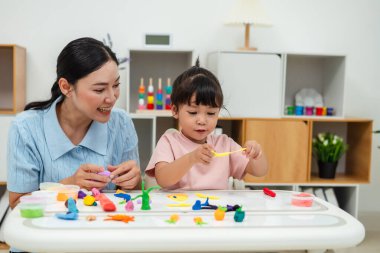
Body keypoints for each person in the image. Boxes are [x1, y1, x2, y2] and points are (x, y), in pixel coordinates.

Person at [7, 37, 141, 210]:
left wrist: (135, 181)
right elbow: (17, 204)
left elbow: (132, 199)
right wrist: (68, 186)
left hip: (106, 231)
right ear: (66, 87)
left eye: (115, 85)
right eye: (99, 89)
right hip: (49, 234)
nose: (112, 97)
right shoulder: (25, 129)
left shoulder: (121, 123)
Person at [145, 59, 268, 190]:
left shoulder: (224, 144)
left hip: (216, 210)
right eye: (193, 112)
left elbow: (260, 172)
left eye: (210, 113)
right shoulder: (169, 142)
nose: (202, 120)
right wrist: (192, 158)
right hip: (179, 209)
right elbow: (162, 179)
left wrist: (256, 155)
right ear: (175, 111)